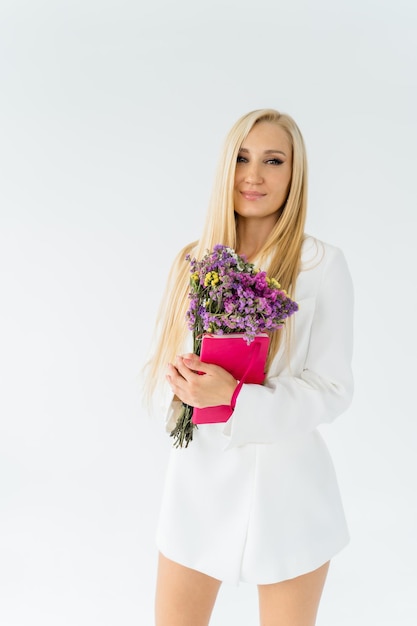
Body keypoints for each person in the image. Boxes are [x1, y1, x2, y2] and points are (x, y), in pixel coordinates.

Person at [144, 108, 354, 626]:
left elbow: (332, 389)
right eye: (241, 158)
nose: (253, 175)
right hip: (196, 487)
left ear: (294, 174)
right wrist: (182, 390)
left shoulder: (321, 266)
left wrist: (237, 400)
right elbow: (159, 385)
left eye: (273, 160)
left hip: (290, 494)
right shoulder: (191, 263)